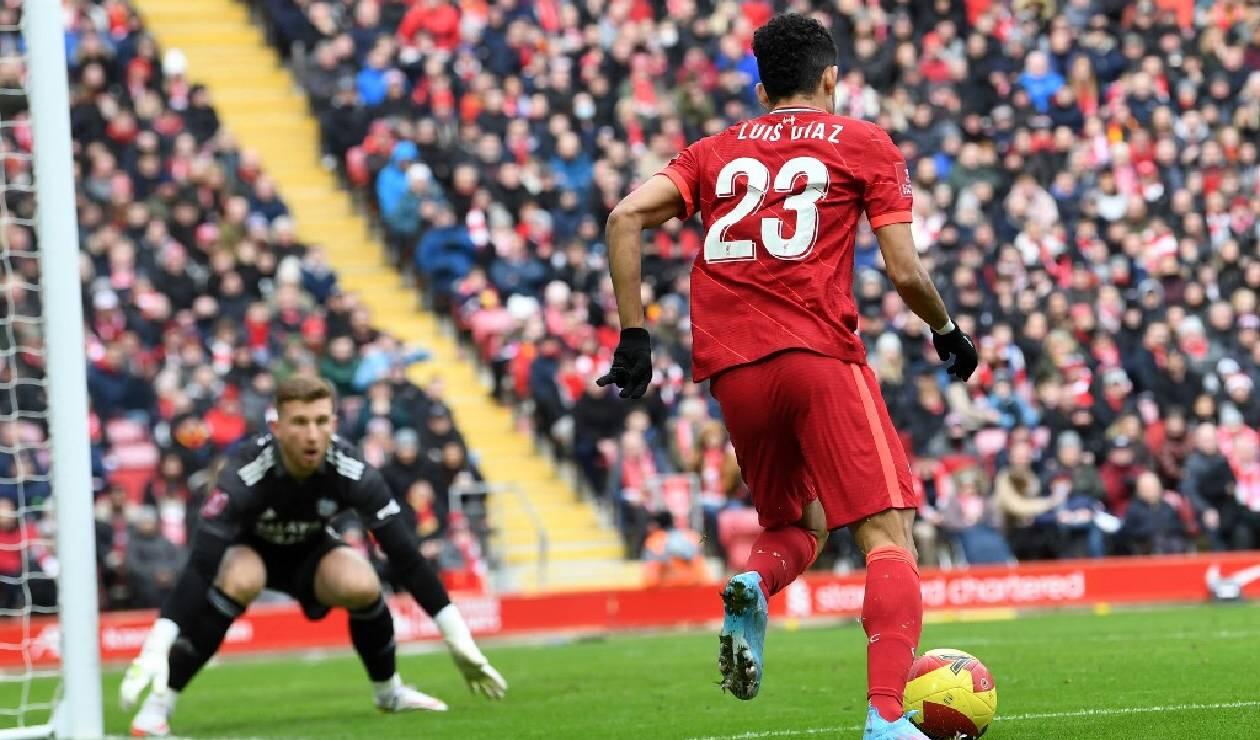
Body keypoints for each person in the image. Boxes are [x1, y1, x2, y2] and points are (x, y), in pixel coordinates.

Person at [595, 14, 977, 740]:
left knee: (796, 524)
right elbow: (904, 269)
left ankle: (755, 583)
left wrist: (635, 334)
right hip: (817, 355)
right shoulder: (864, 143)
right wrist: (946, 330)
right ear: (831, 77)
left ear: (762, 84)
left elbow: (623, 216)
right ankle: (886, 718)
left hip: (733, 373)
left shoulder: (715, 150)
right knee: (888, 534)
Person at [120, 375, 506, 736]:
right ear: (277, 428)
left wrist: (459, 640)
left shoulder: (352, 470)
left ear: (334, 423)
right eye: (300, 422)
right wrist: (156, 645)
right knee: (241, 577)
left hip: (310, 553)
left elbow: (406, 557)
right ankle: (161, 702)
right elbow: (202, 567)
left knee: (362, 582)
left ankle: (388, 692)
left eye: (322, 421)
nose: (312, 434)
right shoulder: (245, 473)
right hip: (249, 553)